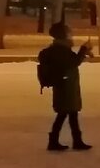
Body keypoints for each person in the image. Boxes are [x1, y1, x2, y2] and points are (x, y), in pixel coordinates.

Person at [38, 23, 93, 151]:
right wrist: (83, 49)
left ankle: (75, 141)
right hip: (65, 86)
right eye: (68, 32)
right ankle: (55, 142)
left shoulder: (62, 48)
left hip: (67, 85)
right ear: (63, 35)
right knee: (64, 114)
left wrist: (84, 51)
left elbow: (73, 61)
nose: (71, 34)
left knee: (70, 114)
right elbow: (73, 63)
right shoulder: (60, 49)